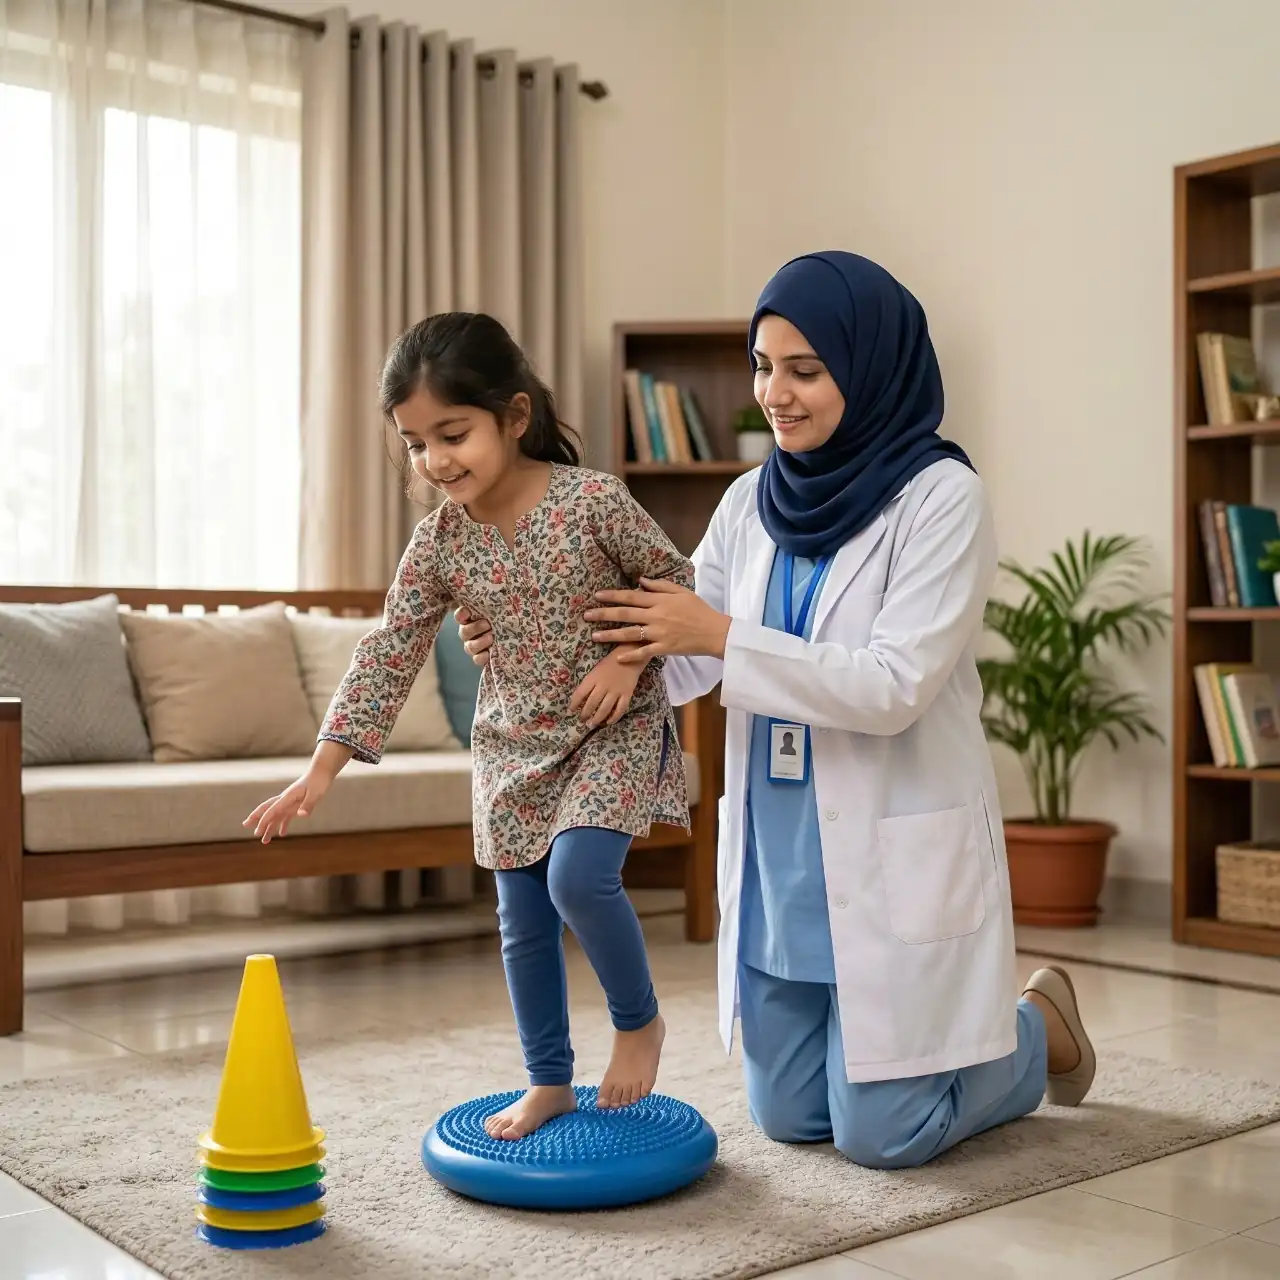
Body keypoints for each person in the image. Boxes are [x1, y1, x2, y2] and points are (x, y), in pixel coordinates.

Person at [455, 251, 1097, 1170]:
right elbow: (668, 660)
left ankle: (1039, 1029)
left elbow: (891, 688)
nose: (774, 394)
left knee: (885, 1137)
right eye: (763, 365)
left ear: (870, 368)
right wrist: (530, 651)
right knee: (790, 1118)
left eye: (805, 370)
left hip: (888, 838)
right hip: (782, 855)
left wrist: (720, 638)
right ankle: (895, 1049)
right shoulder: (751, 500)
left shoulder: (942, 499)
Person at [244, 312, 693, 1141]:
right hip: (511, 746)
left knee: (579, 880)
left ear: (514, 417)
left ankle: (639, 1023)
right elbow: (390, 649)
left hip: (609, 726)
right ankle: (548, 1079)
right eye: (415, 443)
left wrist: (627, 662)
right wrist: (321, 769)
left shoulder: (593, 500)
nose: (434, 460)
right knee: (522, 924)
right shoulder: (439, 543)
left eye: (452, 433)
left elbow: (676, 581)